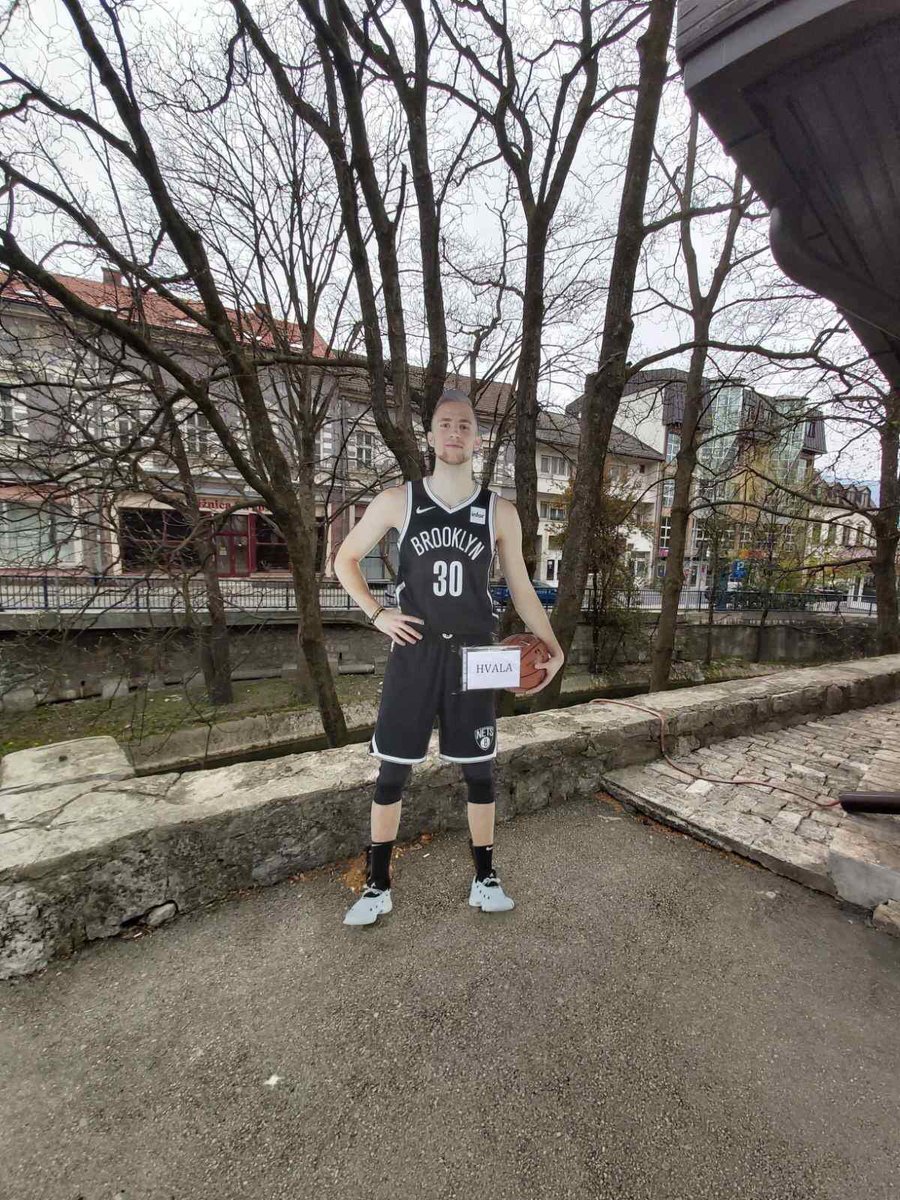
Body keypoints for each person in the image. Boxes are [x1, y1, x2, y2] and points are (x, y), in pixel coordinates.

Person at [333, 388, 565, 926]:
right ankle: (377, 885)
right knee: (392, 774)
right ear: (430, 436)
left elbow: (521, 588)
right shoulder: (399, 500)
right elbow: (344, 559)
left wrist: (553, 647)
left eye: (465, 425)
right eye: (445, 424)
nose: (455, 432)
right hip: (414, 655)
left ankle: (485, 877)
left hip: (475, 655)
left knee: (480, 772)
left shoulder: (498, 511)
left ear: (477, 439)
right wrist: (377, 613)